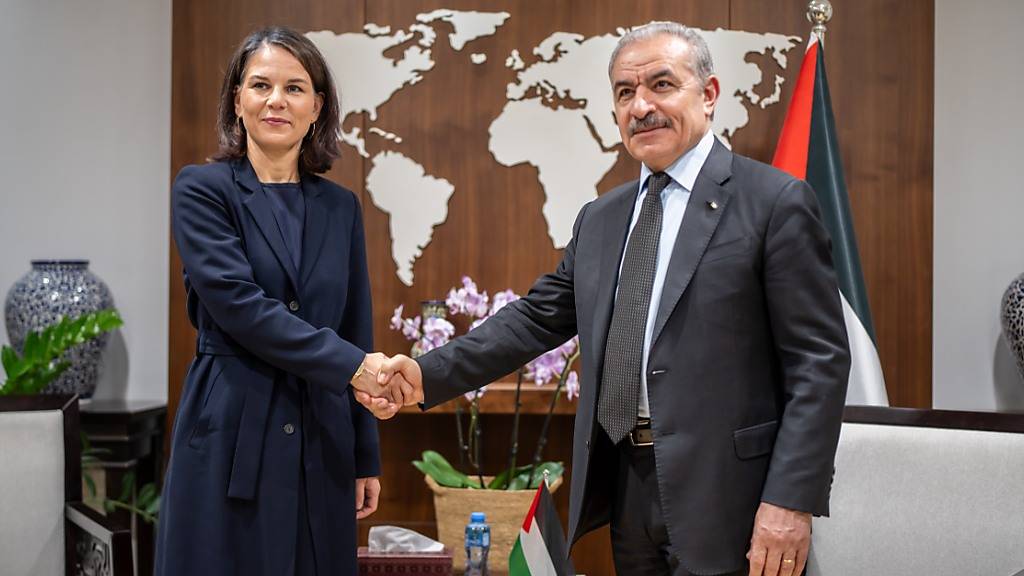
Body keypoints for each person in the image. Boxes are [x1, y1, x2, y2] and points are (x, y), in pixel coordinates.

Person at [362, 22, 850, 576]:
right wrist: (423, 376)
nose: (641, 106)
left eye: (661, 85)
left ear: (709, 95)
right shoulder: (602, 218)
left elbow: (819, 363)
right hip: (627, 487)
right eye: (624, 92)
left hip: (733, 497)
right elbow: (533, 319)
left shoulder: (774, 202)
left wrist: (790, 500)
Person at [157, 26, 390, 576]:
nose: (276, 100)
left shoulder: (341, 207)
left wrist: (364, 454)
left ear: (317, 108)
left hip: (322, 432)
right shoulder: (201, 190)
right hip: (231, 423)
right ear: (237, 100)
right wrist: (355, 368)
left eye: (295, 87)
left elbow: (356, 325)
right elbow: (241, 308)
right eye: (260, 85)